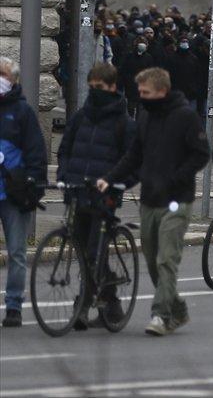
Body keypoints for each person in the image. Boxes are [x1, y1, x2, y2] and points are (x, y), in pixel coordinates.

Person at [99, 67, 209, 336]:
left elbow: (201, 153)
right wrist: (110, 178)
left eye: (145, 92)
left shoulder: (185, 116)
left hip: (176, 201)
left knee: (166, 259)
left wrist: (177, 177)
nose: (141, 96)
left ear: (162, 91)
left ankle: (160, 315)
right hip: (149, 199)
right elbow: (134, 154)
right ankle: (178, 309)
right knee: (150, 259)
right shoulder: (146, 115)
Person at [56, 63, 137, 329]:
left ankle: (83, 304)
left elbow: (133, 160)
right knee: (81, 249)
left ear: (112, 87)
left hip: (105, 197)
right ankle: (110, 296)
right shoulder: (81, 116)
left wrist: (118, 183)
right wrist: (63, 176)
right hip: (79, 192)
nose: (95, 92)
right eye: (91, 88)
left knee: (93, 251)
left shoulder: (124, 123)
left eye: (99, 88)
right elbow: (65, 149)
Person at [0, 57, 48, 328]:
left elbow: (35, 152)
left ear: (13, 79)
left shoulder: (21, 112)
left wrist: (33, 184)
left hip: (13, 194)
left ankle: (14, 306)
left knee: (16, 251)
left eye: (2, 74)